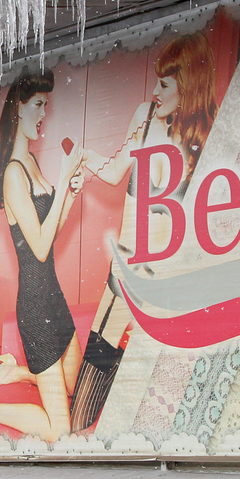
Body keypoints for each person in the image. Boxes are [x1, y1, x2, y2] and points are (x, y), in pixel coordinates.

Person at [71, 33, 219, 430]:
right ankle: (81, 460)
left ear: (187, 86)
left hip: (160, 289)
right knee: (92, 383)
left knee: (138, 399)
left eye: (165, 84)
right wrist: (84, 161)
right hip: (122, 278)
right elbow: (119, 170)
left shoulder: (204, 144)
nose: (155, 90)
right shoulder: (146, 116)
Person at [0, 69, 88, 442]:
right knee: (61, 430)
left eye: (46, 105)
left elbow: (51, 233)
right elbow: (38, 247)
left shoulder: (33, 166)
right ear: (17, 110)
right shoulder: (13, 175)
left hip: (54, 297)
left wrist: (68, 194)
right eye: (38, 105)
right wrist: (66, 173)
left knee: (73, 386)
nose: (43, 114)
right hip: (36, 306)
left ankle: (12, 372)